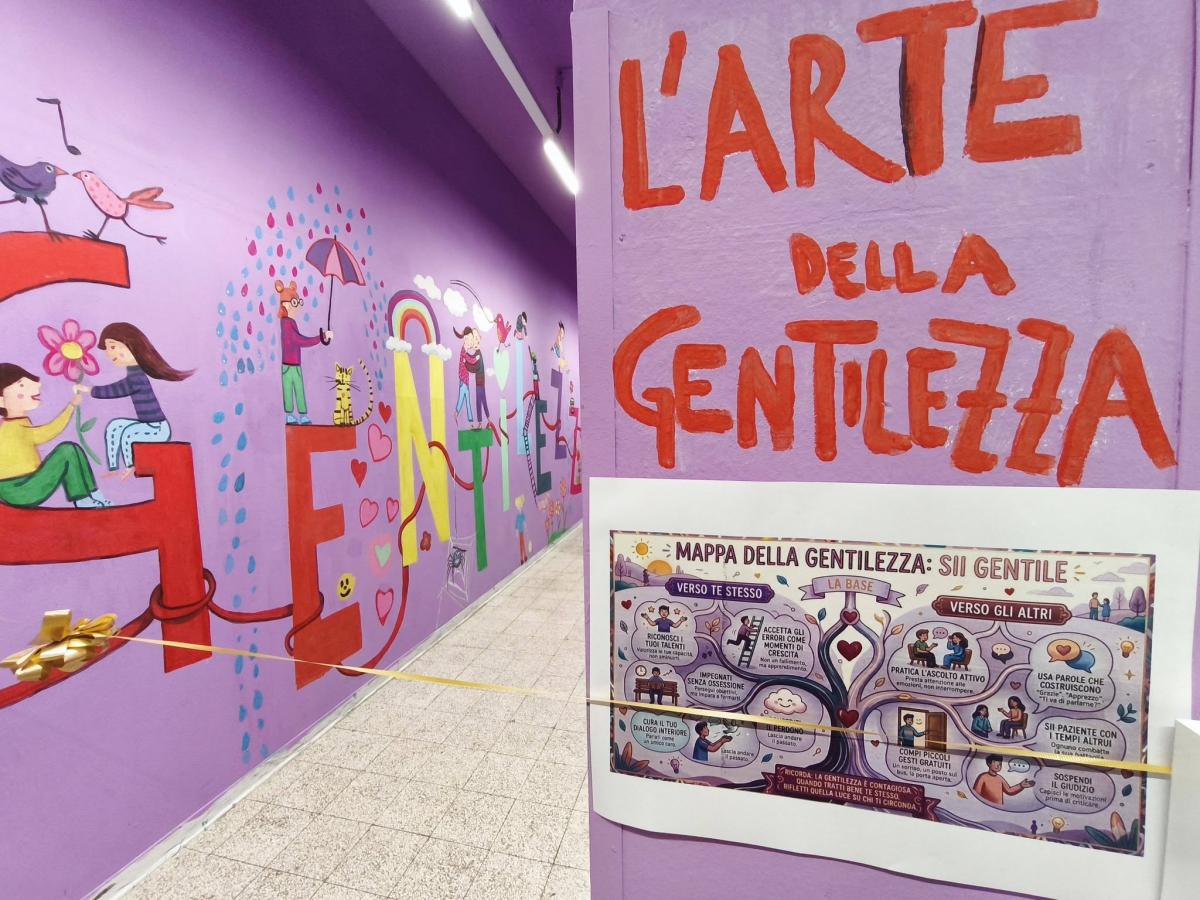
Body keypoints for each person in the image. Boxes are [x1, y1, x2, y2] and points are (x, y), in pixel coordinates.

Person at [80, 322, 192, 479]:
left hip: (157, 428)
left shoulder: (137, 379)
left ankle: (131, 466)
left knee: (128, 434)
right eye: (107, 349)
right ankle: (113, 467)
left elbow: (118, 389)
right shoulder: (133, 375)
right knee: (114, 426)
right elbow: (121, 386)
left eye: (113, 347)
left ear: (131, 344)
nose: (109, 354)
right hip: (147, 425)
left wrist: (90, 390)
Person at [0, 364, 109, 508]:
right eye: (21, 386)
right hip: (18, 489)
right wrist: (71, 406)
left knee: (72, 449)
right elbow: (49, 431)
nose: (38, 386)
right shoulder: (13, 428)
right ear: (1, 401)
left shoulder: (15, 423)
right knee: (67, 450)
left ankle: (94, 494)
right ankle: (83, 499)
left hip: (23, 485)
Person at [277, 279, 332, 425]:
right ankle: (290, 415)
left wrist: (322, 337)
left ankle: (302, 415)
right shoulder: (286, 323)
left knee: (298, 388)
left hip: (295, 364)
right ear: (285, 305)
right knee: (290, 389)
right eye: (295, 302)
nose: (298, 306)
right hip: (288, 365)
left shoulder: (291, 322)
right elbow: (299, 340)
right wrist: (321, 337)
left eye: (298, 302)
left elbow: (299, 340)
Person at [454, 326, 483, 426]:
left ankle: (470, 420)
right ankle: (456, 413)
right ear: (466, 339)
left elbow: (468, 360)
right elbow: (469, 360)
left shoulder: (465, 351)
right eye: (470, 339)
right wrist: (476, 358)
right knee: (462, 398)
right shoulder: (463, 351)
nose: (471, 342)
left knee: (467, 400)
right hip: (463, 380)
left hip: (465, 380)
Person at [514, 494, 528, 563]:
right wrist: (516, 531)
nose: (518, 508)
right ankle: (522, 558)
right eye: (518, 506)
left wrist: (525, 526)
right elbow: (516, 524)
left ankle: (524, 556)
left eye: (519, 506)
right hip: (519, 532)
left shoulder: (522, 515)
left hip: (522, 531)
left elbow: (524, 522)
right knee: (521, 545)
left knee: (523, 544)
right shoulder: (518, 516)